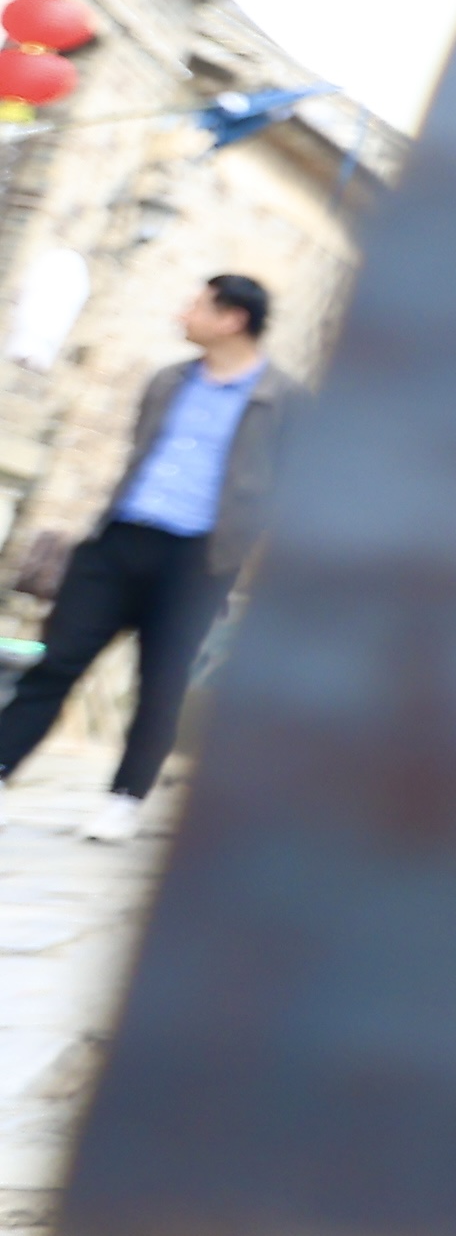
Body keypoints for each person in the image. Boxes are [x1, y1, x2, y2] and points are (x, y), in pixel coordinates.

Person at [0, 272, 292, 838]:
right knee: (56, 661)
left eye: (197, 306)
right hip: (119, 541)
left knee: (160, 682)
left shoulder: (281, 401)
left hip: (197, 559)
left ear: (232, 319)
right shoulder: (169, 380)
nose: (184, 314)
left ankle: (125, 798)